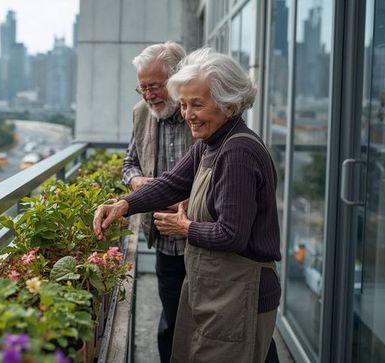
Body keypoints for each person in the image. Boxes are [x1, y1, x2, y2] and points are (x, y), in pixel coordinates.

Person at [94, 48, 281, 363]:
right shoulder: (212, 142)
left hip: (241, 293)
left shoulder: (236, 153)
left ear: (229, 104)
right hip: (222, 289)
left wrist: (184, 227)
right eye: (183, 104)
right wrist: (123, 204)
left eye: (197, 104)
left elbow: (231, 235)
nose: (187, 114)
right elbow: (170, 183)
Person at [122, 41, 193, 363]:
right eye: (143, 88)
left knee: (211, 326)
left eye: (155, 86)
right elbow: (128, 165)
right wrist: (137, 182)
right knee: (171, 323)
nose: (149, 95)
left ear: (177, 79)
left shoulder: (202, 110)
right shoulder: (141, 114)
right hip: (165, 240)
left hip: (205, 237)